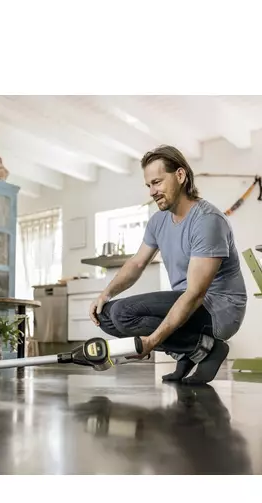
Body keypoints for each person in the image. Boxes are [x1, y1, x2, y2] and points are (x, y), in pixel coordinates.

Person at [89, 145, 247, 384]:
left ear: (180, 175)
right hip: (190, 302)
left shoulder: (207, 221)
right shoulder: (158, 221)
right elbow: (137, 263)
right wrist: (105, 294)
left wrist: (152, 342)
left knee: (123, 313)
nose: (152, 191)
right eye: (148, 185)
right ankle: (189, 351)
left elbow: (195, 294)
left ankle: (209, 349)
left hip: (219, 310)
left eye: (157, 182)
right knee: (106, 315)